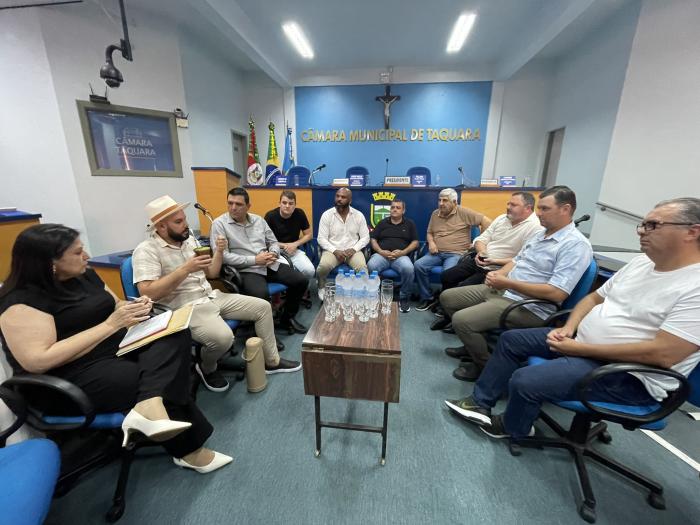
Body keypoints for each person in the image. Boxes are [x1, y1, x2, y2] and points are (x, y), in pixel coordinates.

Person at [445, 197, 700, 440]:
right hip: (583, 344)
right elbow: (592, 299)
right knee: (512, 340)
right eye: (643, 224)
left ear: (692, 232)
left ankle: (513, 428)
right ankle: (480, 403)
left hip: (630, 375)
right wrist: (569, 327)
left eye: (653, 225)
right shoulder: (641, 263)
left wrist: (579, 349)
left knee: (524, 380)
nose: (642, 231)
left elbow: (663, 354)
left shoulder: (695, 286)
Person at [0, 224, 232, 473]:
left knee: (175, 333)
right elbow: (39, 361)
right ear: (50, 263)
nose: (87, 256)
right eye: (77, 252)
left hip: (114, 347)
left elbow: (115, 304)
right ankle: (188, 450)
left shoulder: (85, 275)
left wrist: (133, 307)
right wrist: (111, 325)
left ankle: (150, 406)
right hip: (67, 373)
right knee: (156, 379)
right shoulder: (21, 302)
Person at [133, 195, 300, 393]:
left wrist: (219, 252)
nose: (186, 225)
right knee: (224, 338)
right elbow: (147, 292)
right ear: (161, 227)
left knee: (263, 307)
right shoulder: (146, 250)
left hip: (211, 296)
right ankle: (207, 367)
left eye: (184, 219)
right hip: (184, 308)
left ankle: (272, 361)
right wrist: (185, 269)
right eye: (178, 222)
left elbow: (212, 273)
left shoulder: (189, 241)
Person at [440, 185, 592, 381]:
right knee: (448, 298)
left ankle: (485, 366)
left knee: (462, 320)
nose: (538, 213)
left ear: (565, 209)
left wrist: (507, 283)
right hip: (506, 291)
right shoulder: (540, 235)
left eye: (544, 209)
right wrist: (498, 275)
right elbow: (517, 261)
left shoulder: (575, 245)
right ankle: (474, 345)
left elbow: (557, 293)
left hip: (529, 306)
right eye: (539, 208)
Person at [432, 192, 542, 331]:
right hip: (480, 259)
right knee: (447, 276)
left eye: (513, 205)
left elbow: (522, 258)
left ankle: (461, 322)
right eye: (508, 203)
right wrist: (482, 252)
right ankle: (449, 316)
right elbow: (481, 239)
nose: (508, 207)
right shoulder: (502, 218)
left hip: (498, 268)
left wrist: (495, 260)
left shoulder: (535, 228)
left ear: (528, 208)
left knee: (463, 287)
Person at [211, 188, 309, 335]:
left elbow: (273, 242)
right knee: (261, 295)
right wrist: (254, 260)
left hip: (268, 263)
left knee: (301, 280)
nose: (233, 207)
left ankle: (286, 318)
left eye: (238, 204)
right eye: (230, 203)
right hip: (245, 270)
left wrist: (273, 253)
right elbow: (222, 256)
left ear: (248, 206)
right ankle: (266, 334)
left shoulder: (259, 220)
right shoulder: (219, 224)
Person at [414, 188, 492, 311]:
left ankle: (445, 302)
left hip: (455, 254)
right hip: (436, 253)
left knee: (448, 274)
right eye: (439, 200)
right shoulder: (435, 213)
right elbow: (429, 232)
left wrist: (478, 241)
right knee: (419, 265)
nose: (441, 203)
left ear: (455, 202)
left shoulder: (463, 212)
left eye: (445, 200)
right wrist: (432, 243)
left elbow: (487, 222)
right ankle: (427, 297)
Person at [316, 187, 370, 299]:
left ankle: (361, 292)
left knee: (363, 269)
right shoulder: (327, 215)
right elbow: (321, 238)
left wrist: (354, 249)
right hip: (333, 250)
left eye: (343, 197)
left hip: (353, 251)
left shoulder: (358, 215)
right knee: (322, 268)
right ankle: (321, 286)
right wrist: (335, 250)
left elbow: (365, 237)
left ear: (350, 200)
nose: (339, 199)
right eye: (337, 196)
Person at [366, 199, 419, 313]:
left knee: (409, 268)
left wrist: (403, 252)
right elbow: (373, 239)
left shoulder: (410, 224)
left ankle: (404, 297)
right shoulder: (382, 223)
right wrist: (380, 251)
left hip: (401, 256)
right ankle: (374, 294)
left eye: (398, 208)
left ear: (403, 211)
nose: (394, 209)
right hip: (382, 256)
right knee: (371, 266)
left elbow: (415, 242)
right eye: (393, 207)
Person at [264, 190, 315, 279]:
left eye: (291, 203)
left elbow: (309, 235)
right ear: (279, 204)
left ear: (295, 205)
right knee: (288, 274)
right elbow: (265, 240)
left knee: (310, 271)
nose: (287, 206)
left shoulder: (300, 213)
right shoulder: (270, 216)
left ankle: (303, 287)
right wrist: (285, 246)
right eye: (284, 203)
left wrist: (295, 244)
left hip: (294, 250)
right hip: (276, 251)